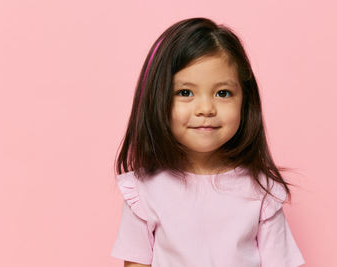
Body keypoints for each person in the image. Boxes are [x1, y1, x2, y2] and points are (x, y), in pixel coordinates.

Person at [110, 17, 306, 267]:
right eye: (185, 93)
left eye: (222, 93)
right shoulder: (144, 191)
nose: (205, 109)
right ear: (157, 99)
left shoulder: (261, 192)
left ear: (245, 101)